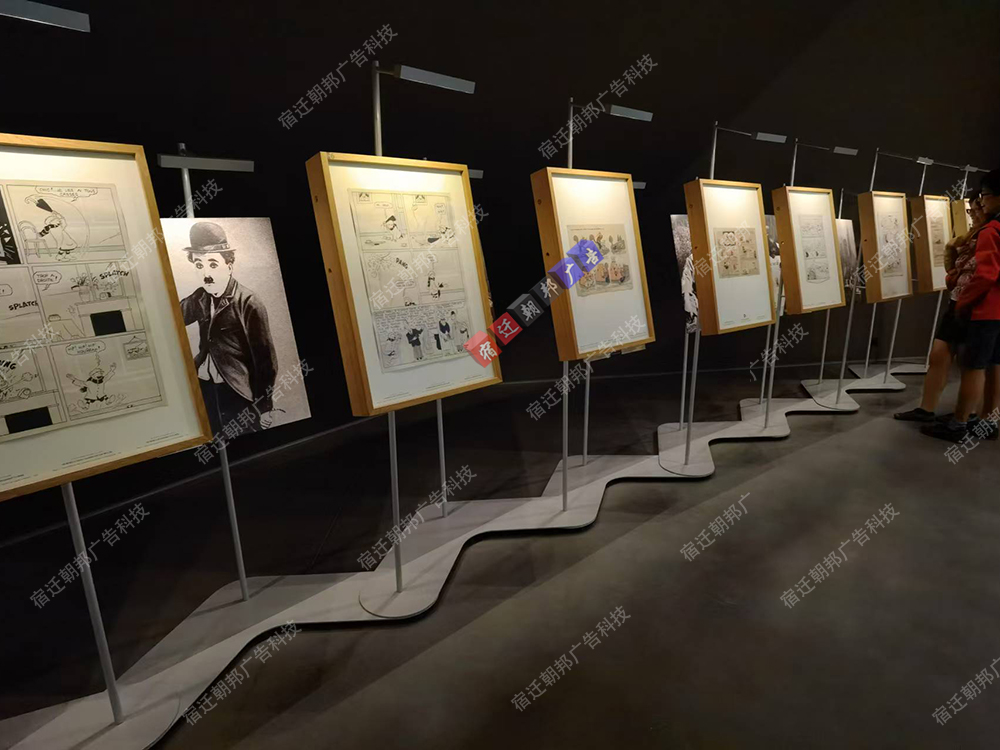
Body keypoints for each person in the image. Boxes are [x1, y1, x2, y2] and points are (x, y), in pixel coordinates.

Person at [179, 222, 278, 435]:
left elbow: (265, 361)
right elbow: (172, 317)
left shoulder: (249, 302)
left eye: (213, 264)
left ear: (229, 265)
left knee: (241, 445)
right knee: (210, 441)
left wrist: (264, 407)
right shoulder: (200, 297)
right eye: (199, 265)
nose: (206, 274)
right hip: (204, 387)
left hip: (236, 391)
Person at [922, 170, 1000, 441]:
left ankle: (959, 423)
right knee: (993, 364)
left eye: (985, 196)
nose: (982, 203)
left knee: (974, 368)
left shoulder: (991, 230)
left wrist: (964, 303)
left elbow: (986, 275)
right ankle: (988, 421)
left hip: (985, 309)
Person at [895, 194, 986, 422]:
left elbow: (984, 274)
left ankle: (967, 415)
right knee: (939, 355)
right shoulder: (971, 236)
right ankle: (926, 409)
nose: (974, 215)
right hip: (957, 301)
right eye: (971, 211)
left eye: (977, 210)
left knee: (970, 362)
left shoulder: (990, 234)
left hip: (977, 306)